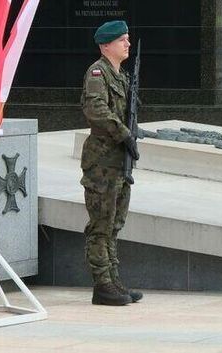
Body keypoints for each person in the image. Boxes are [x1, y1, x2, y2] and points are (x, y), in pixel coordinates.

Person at [80, 20, 144, 305]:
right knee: (101, 224)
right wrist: (124, 133)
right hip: (102, 161)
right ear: (106, 45)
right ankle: (102, 285)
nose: (127, 44)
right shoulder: (98, 72)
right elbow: (95, 109)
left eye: (128, 39)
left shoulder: (120, 76)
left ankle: (115, 281)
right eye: (122, 40)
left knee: (115, 223)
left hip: (118, 161)